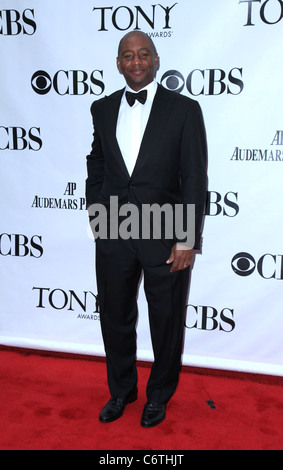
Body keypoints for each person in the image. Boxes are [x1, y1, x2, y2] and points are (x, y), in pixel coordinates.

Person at [86, 31, 207, 428]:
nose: (136, 62)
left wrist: (187, 237)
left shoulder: (184, 109)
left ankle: (159, 395)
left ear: (156, 59)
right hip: (114, 230)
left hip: (166, 232)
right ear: (118, 63)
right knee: (115, 316)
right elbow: (97, 163)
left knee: (166, 319)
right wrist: (97, 215)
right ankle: (121, 390)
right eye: (127, 55)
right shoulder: (101, 109)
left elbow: (194, 178)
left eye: (143, 54)